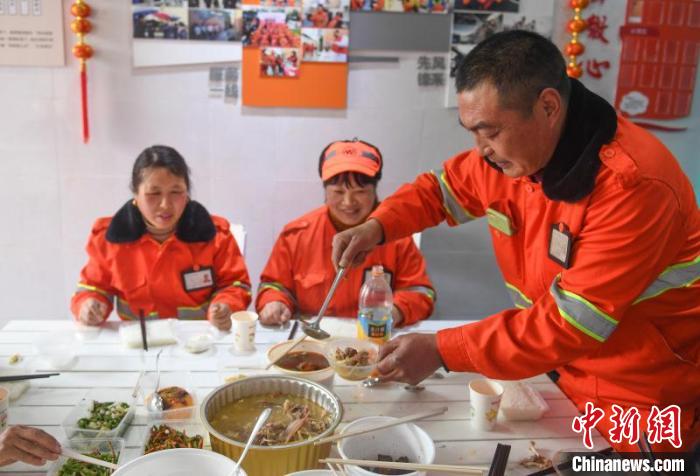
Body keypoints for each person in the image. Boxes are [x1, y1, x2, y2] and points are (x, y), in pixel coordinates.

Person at [332, 31, 700, 452]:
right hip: (556, 377)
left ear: (547, 107)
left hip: (636, 405)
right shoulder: (515, 154)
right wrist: (376, 226)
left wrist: (442, 350)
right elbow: (438, 192)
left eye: (488, 132)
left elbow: (568, 323)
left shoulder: (633, 187)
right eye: (472, 131)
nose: (480, 150)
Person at [256, 139, 435, 327]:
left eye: (360, 191)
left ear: (375, 191)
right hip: (314, 341)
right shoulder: (296, 235)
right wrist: (274, 303)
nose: (348, 202)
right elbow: (273, 285)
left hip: (375, 337)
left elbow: (420, 292)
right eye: (338, 192)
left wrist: (396, 311)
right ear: (325, 190)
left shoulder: (397, 236)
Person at [71, 145, 251, 331]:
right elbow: (93, 288)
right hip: (139, 341)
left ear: (187, 193)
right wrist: (90, 305)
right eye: (153, 193)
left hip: (200, 342)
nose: (165, 205)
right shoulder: (109, 238)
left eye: (176, 192)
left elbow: (235, 284)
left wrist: (226, 305)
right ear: (136, 195)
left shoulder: (215, 235)